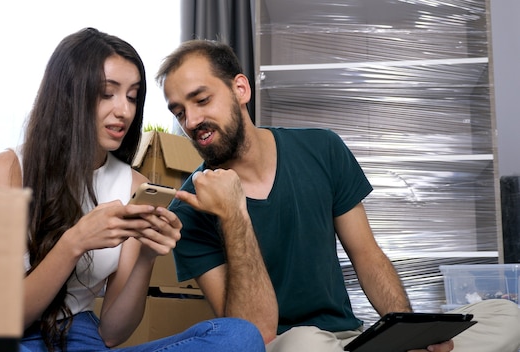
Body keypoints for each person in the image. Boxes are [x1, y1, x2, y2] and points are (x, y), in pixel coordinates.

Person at [155, 39, 520, 352]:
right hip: (287, 345)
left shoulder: (323, 148)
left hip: (351, 338)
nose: (190, 122)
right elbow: (251, 333)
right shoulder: (189, 209)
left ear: (240, 89)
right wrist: (234, 214)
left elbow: (367, 256)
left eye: (201, 100)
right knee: (305, 343)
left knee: (507, 317)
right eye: (179, 112)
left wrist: (413, 332)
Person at [0, 28, 265, 352]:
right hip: (16, 340)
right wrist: (75, 242)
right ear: (68, 94)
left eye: (132, 96)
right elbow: (5, 319)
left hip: (85, 337)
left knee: (239, 336)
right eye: (107, 93)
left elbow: (113, 334)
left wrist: (146, 256)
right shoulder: (8, 170)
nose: (124, 111)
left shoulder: (133, 185)